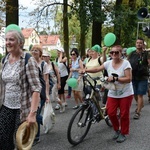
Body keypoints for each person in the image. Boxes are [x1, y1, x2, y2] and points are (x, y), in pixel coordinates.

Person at [0, 27, 41, 150]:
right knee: (3, 139)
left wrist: (32, 114)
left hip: (23, 109)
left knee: (21, 143)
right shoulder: (5, 60)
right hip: (6, 106)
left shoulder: (28, 60)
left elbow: (36, 89)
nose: (8, 42)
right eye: (6, 39)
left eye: (11, 39)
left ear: (20, 42)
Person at [83, 45, 133, 143]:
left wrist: (116, 78)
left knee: (124, 114)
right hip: (113, 92)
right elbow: (97, 69)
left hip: (126, 93)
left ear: (121, 53)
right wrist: (85, 70)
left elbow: (129, 79)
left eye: (116, 52)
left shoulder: (126, 63)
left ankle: (123, 133)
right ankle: (117, 130)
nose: (113, 54)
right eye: (112, 52)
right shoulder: (108, 63)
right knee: (110, 112)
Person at [30, 45, 50, 145]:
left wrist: (47, 95)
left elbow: (46, 81)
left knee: (36, 114)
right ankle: (46, 122)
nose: (34, 52)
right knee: (33, 113)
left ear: (40, 52)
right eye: (32, 50)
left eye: (36, 50)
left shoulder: (43, 65)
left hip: (41, 92)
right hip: (31, 92)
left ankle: (37, 137)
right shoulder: (29, 62)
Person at [128, 38, 150, 119]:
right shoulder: (132, 53)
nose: (138, 44)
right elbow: (127, 63)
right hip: (133, 76)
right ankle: (140, 104)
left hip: (143, 76)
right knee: (134, 94)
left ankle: (138, 112)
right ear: (135, 44)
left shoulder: (146, 53)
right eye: (137, 43)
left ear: (143, 44)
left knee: (140, 94)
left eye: (140, 43)